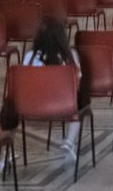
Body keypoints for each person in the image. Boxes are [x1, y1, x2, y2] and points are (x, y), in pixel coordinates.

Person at [9, 17, 85, 154]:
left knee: (10, 106)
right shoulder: (70, 57)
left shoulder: (30, 56)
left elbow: (22, 85)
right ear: (62, 37)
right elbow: (77, 83)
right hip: (63, 106)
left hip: (30, 106)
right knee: (81, 100)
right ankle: (69, 141)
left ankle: (8, 149)